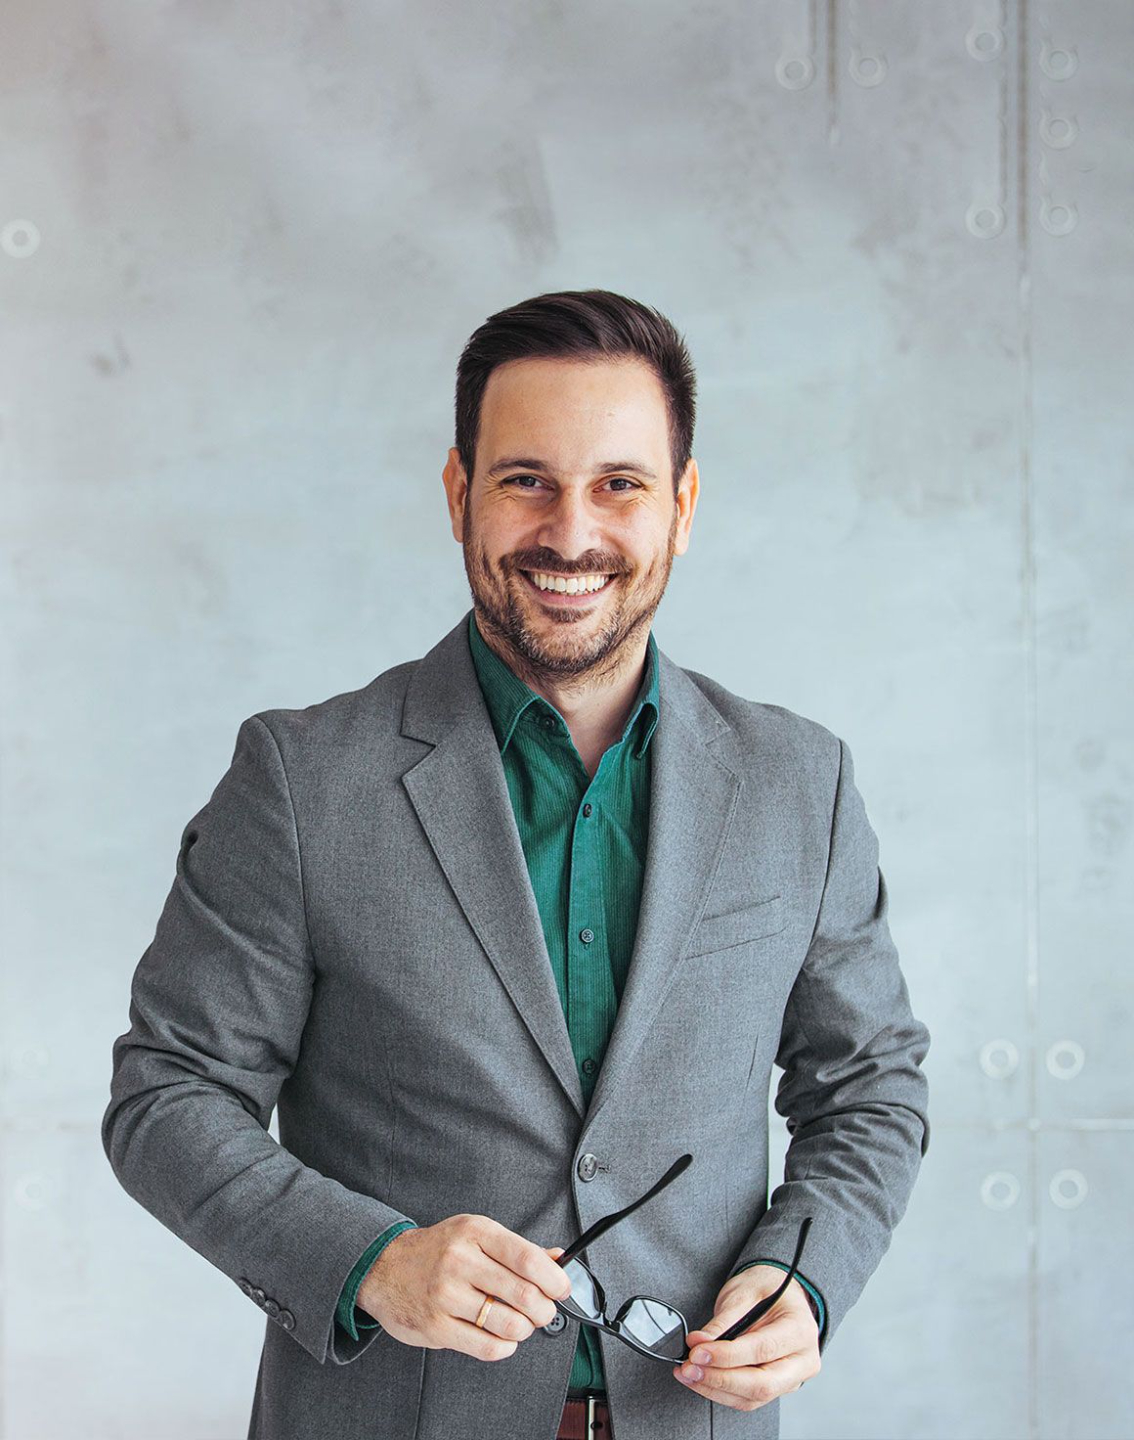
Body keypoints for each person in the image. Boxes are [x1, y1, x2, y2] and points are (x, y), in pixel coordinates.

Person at [103, 289, 931, 1440]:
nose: (571, 533)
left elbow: (869, 1086)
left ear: (684, 506)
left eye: (620, 483)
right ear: (459, 494)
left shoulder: (801, 783)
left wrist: (806, 1270)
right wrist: (374, 1262)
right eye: (526, 480)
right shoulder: (301, 780)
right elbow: (168, 1095)